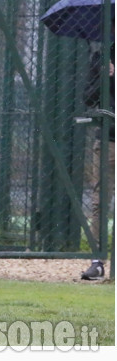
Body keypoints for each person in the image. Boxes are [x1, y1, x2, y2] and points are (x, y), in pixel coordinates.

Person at [81, 42, 114, 280]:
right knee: (100, 199)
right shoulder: (102, 58)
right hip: (109, 138)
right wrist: (107, 77)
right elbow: (88, 98)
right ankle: (98, 260)